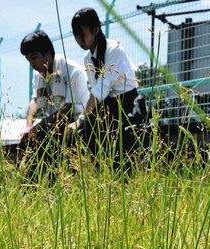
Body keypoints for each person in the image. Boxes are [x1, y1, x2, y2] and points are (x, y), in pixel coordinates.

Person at [70, 7, 147, 167]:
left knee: (124, 138)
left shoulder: (114, 49)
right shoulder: (88, 58)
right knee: (85, 132)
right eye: (76, 35)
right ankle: (98, 171)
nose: (79, 40)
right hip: (108, 105)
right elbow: (97, 93)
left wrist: (81, 119)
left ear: (96, 29)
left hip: (128, 103)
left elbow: (99, 91)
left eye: (82, 34)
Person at [18, 30, 89, 177]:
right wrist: (28, 126)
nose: (32, 64)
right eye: (28, 60)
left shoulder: (73, 71)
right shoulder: (39, 75)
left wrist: (38, 128)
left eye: (34, 58)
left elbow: (69, 109)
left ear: (48, 53)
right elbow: (34, 100)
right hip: (52, 125)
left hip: (76, 125)